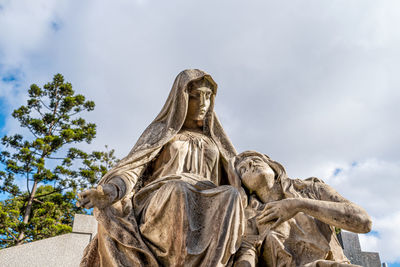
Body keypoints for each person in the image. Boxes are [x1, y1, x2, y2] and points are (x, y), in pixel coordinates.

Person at [77, 69, 245, 267]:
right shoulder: (163, 132)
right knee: (178, 190)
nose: (203, 104)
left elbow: (245, 178)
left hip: (207, 197)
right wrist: (110, 191)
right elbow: (132, 168)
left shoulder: (214, 141)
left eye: (208, 97)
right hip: (161, 198)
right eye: (195, 97)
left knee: (232, 195)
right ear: (181, 98)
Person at [232, 151, 372, 267]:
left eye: (256, 160)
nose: (250, 164)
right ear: (245, 186)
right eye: (243, 170)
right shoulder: (249, 217)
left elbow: (364, 222)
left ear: (272, 166)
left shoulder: (312, 189)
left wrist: (298, 205)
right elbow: (247, 255)